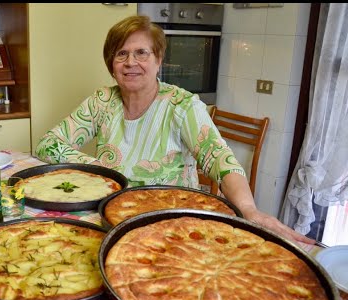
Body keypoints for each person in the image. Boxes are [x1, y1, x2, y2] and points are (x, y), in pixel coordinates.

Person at [35, 15, 314, 245]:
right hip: (113, 218)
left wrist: (249, 209)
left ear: (159, 61)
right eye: (121, 54)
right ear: (111, 64)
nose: (131, 62)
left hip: (174, 225)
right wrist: (99, 169)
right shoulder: (102, 102)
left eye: (141, 53)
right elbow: (47, 144)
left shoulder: (183, 105)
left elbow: (220, 159)